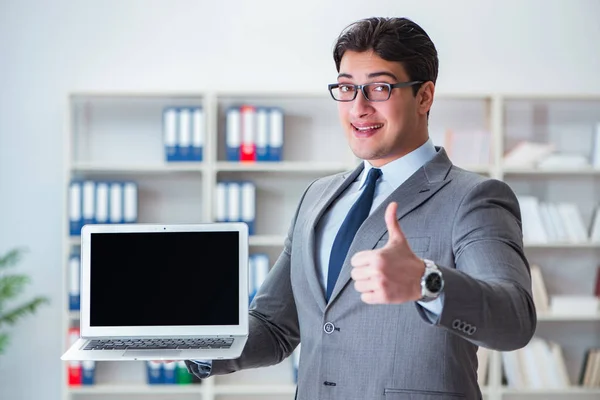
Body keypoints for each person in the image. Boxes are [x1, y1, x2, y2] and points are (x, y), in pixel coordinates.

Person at [185, 16, 536, 399]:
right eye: (347, 88)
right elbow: (274, 326)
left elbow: (514, 319)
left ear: (424, 96)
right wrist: (193, 339)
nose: (359, 107)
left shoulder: (474, 197)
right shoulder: (316, 198)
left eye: (379, 88)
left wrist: (425, 281)